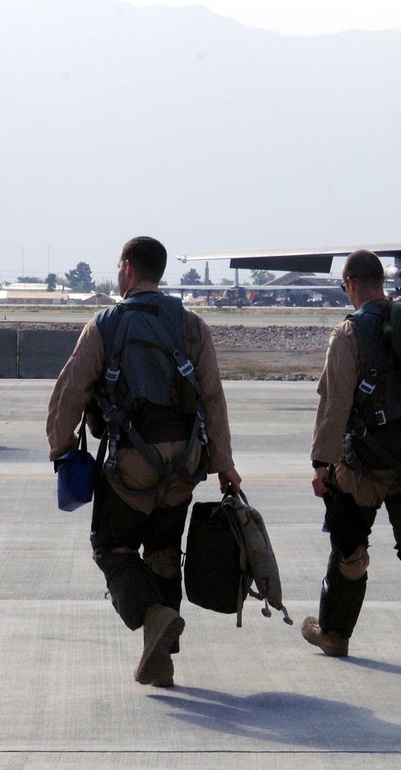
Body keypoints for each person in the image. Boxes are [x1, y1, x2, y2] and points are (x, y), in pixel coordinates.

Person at [46, 236, 241, 688]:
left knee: (111, 547)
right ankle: (162, 662)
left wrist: (61, 449)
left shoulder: (105, 325)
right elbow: (213, 396)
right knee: (164, 553)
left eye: (119, 265)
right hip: (185, 462)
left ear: (129, 268)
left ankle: (153, 616)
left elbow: (70, 392)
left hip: (132, 462)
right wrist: (224, 463)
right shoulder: (192, 325)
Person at [302, 248, 401, 671]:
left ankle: (334, 633)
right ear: (381, 281)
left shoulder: (349, 333)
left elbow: (334, 405)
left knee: (350, 548)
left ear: (351, 284)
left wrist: (321, 463)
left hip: (363, 466)